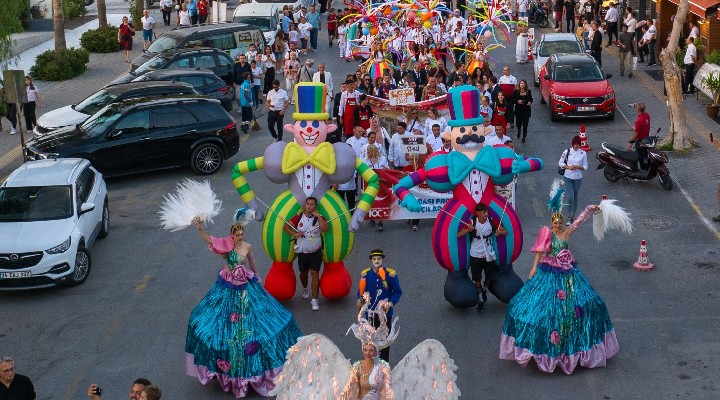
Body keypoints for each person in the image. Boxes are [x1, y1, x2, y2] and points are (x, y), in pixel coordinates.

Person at [187, 214, 302, 396]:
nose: (240, 236)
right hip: (228, 287)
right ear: (232, 235)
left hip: (246, 285)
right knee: (221, 321)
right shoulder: (227, 246)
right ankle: (227, 368)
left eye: (242, 234)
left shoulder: (247, 247)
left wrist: (256, 278)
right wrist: (200, 228)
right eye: (237, 234)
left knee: (258, 319)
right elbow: (209, 240)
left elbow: (252, 263)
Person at [500, 201, 619, 374]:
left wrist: (588, 208)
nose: (557, 225)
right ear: (551, 223)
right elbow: (540, 252)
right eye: (555, 223)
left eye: (559, 223)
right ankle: (544, 351)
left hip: (568, 274)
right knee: (539, 309)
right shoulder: (547, 233)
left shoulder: (566, 234)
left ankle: (572, 350)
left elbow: (578, 221)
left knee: (586, 304)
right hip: (548, 274)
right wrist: (533, 268)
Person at [456, 203, 507, 312]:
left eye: (487, 212)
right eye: (484, 213)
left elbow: (505, 232)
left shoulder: (491, 221)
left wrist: (500, 232)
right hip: (476, 254)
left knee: (490, 276)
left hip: (489, 253)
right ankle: (480, 301)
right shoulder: (472, 222)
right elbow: (458, 235)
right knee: (477, 278)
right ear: (478, 213)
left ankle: (485, 289)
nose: (486, 214)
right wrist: (468, 230)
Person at [356, 249, 402, 362]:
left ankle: (384, 364)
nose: (377, 261)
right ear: (371, 260)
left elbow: (397, 292)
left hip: (385, 315)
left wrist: (390, 304)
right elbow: (361, 293)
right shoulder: (366, 275)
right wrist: (360, 301)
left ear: (382, 259)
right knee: (369, 342)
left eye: (379, 259)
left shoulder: (390, 275)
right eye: (374, 259)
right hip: (370, 314)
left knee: (384, 342)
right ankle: (370, 364)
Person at [284, 197, 329, 311]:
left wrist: (318, 216)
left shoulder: (320, 217)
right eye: (307, 204)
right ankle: (305, 288)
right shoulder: (298, 216)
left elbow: (325, 228)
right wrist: (295, 233)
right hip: (302, 251)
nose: (309, 206)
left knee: (314, 273)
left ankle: (314, 300)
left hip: (316, 250)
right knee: (303, 273)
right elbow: (285, 227)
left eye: (312, 204)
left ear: (315, 206)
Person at [558, 135, 588, 225]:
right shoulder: (567, 151)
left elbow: (586, 166)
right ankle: (569, 216)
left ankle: (573, 215)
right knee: (570, 197)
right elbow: (560, 162)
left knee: (575, 196)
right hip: (568, 177)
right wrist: (568, 167)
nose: (576, 146)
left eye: (578, 144)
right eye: (575, 144)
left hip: (578, 178)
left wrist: (578, 167)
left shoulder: (583, 153)